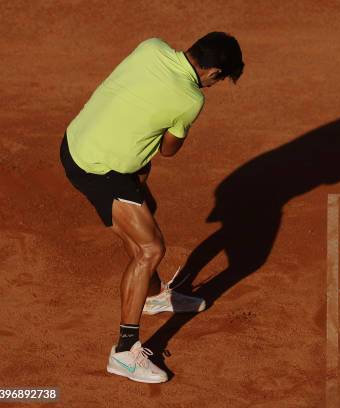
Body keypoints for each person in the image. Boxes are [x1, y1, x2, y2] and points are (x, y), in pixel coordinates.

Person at [59, 32, 244, 383]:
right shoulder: (191, 99)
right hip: (97, 169)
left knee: (147, 205)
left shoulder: (151, 46)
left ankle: (156, 295)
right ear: (213, 73)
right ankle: (125, 352)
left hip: (76, 140)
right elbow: (169, 150)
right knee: (149, 248)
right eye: (219, 80)